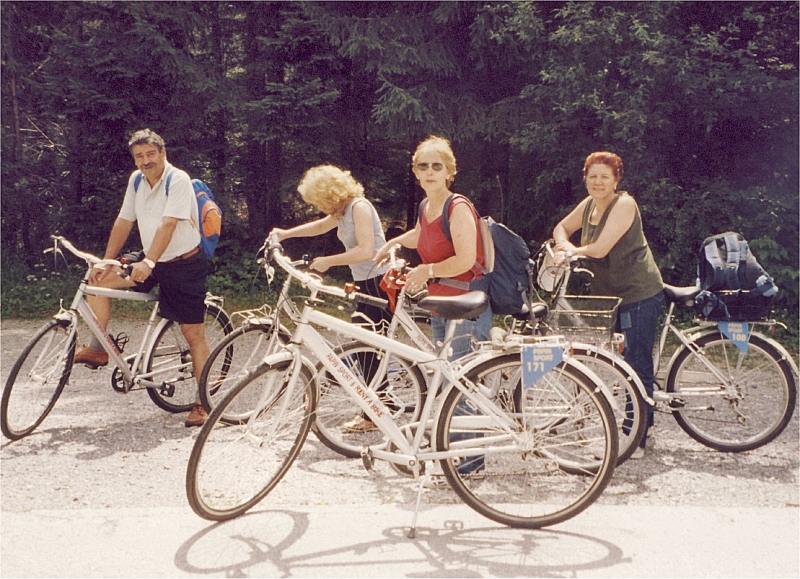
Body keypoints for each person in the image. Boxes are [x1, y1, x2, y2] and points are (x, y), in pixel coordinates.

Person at [73, 129, 211, 428]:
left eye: (151, 154)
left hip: (183, 263)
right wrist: (109, 260)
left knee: (193, 333)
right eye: (139, 156)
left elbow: (168, 224)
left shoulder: (178, 180)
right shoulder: (137, 180)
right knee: (97, 282)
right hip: (151, 258)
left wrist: (149, 262)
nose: (145, 161)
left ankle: (203, 404)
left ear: (163, 153)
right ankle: (99, 350)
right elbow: (124, 221)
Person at [375, 135, 491, 483]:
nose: (429, 172)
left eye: (436, 166)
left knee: (461, 383)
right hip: (442, 304)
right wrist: (394, 242)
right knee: (448, 381)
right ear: (415, 171)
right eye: (423, 166)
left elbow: (466, 258)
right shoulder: (429, 207)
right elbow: (420, 236)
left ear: (449, 172)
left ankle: (469, 464)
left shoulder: (458, 207)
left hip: (466, 302)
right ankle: (456, 455)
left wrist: (427, 270)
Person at [552, 151, 663, 458]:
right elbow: (561, 229)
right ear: (585, 179)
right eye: (592, 176)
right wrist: (565, 245)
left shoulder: (624, 204)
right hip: (610, 295)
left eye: (604, 176)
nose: (598, 182)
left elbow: (600, 250)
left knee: (636, 364)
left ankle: (638, 437)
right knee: (615, 361)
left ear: (616, 180)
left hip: (637, 292)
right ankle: (633, 427)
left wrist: (572, 253)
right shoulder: (589, 205)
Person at [272, 164, 393, 433]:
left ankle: (373, 414)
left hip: (378, 282)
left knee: (367, 348)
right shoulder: (342, 210)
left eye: (318, 199)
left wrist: (328, 262)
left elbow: (366, 250)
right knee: (366, 346)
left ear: (328, 192)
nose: (318, 205)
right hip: (364, 281)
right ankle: (382, 403)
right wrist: (286, 233)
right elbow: (320, 226)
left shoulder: (359, 207)